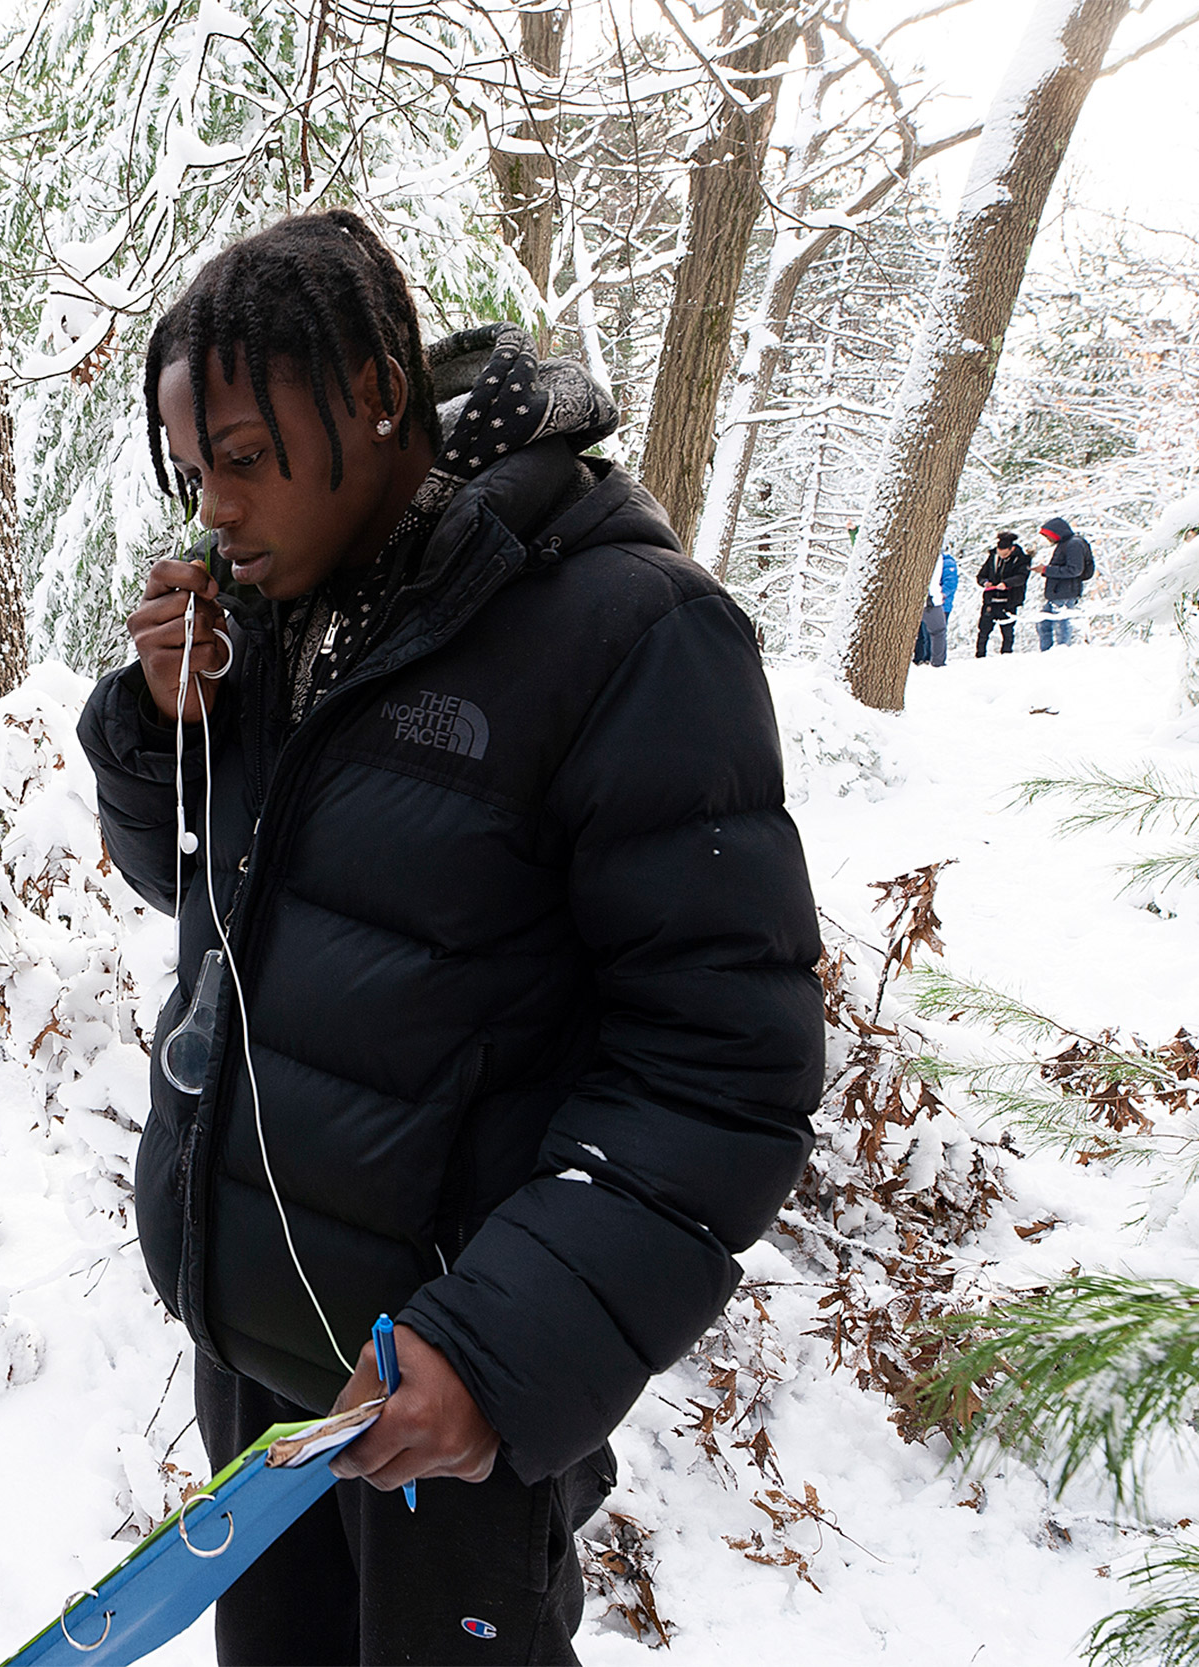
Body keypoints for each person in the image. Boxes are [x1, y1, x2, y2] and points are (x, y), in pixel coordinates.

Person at [77, 211, 823, 1664]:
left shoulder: (629, 635)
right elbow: (203, 889)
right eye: (190, 471)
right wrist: (160, 723)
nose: (212, 510)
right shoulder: (284, 605)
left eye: (241, 456)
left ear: (373, 394)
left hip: (448, 1393)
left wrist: (494, 1352)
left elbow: (721, 1068)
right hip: (265, 1374)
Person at [1036, 516, 1095, 648]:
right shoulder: (1067, 544)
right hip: (1058, 592)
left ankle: (1062, 651)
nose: (1048, 540)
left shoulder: (1073, 544)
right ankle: (1048, 652)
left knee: (1062, 624)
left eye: (1048, 536)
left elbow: (1074, 570)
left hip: (1066, 592)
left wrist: (1047, 570)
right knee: (1044, 622)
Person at [977, 531, 1030, 655]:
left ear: (1012, 549)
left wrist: (1007, 583)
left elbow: (1022, 577)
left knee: (1007, 632)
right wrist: (985, 582)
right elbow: (981, 575)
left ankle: (1006, 655)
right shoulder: (992, 557)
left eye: (1005, 554)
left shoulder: (1021, 559)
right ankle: (979, 655)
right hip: (991, 600)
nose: (1002, 557)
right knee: (983, 630)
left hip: (1009, 601)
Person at [914, 546, 957, 667]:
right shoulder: (941, 560)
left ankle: (926, 658)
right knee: (933, 633)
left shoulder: (946, 562)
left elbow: (950, 583)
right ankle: (931, 660)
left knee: (927, 634)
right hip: (933, 601)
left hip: (936, 601)